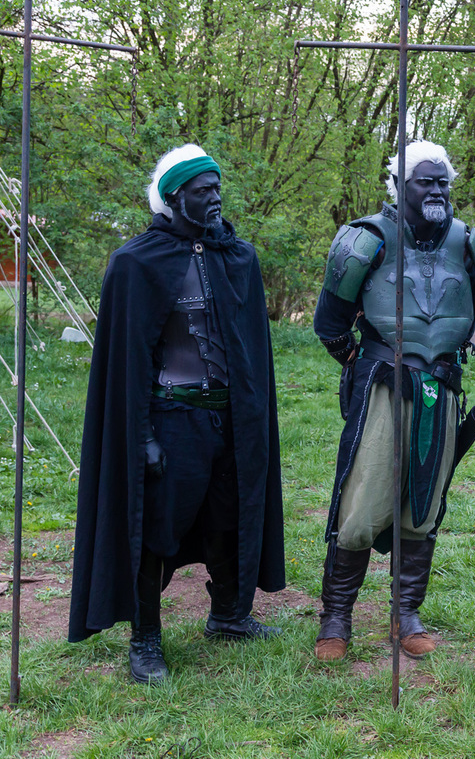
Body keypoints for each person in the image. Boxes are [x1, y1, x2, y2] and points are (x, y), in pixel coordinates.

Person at [69, 144, 286, 684]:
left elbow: (250, 347)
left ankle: (229, 615)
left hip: (231, 417)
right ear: (173, 197)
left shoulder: (238, 257)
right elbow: (129, 360)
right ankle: (144, 640)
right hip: (172, 415)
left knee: (228, 516)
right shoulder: (135, 263)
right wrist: (143, 434)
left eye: (217, 188)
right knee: (156, 529)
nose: (215, 198)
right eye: (202, 190)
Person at [312, 141, 475, 662]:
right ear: (398, 185)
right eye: (424, 182)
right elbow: (330, 324)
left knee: (423, 507)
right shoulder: (364, 240)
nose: (436, 190)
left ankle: (406, 613)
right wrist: (365, 365)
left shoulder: (469, 244)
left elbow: (472, 313)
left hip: (441, 388)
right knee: (362, 505)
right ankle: (336, 617)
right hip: (383, 385)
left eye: (442, 182)